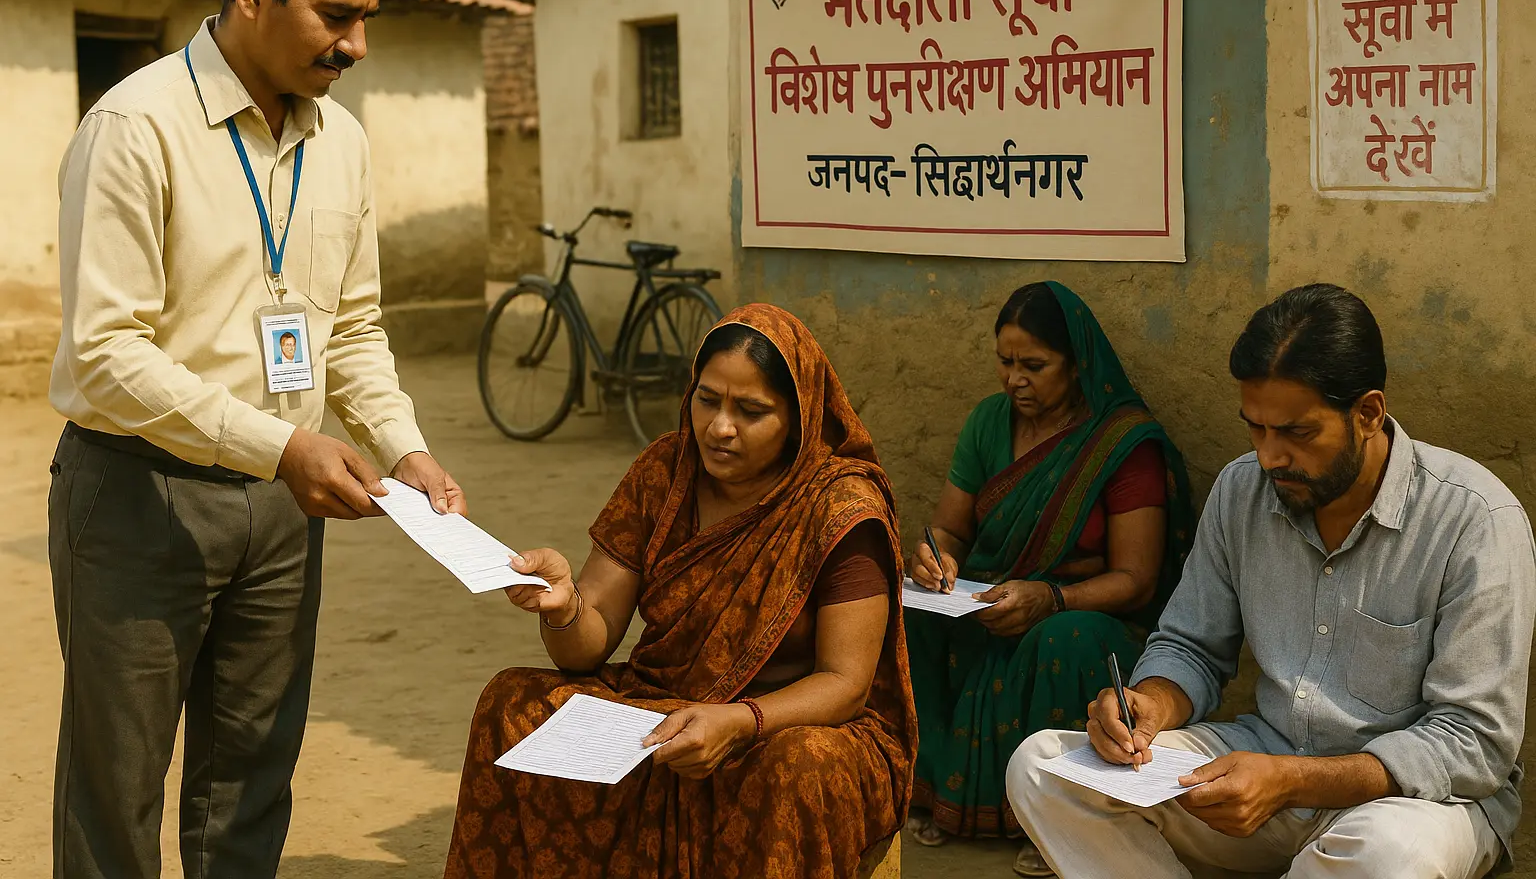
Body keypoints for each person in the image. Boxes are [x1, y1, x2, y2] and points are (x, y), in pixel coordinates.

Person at [48, 0, 463, 879]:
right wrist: (285, 444)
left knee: (250, 780)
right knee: (117, 789)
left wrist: (404, 445)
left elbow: (353, 330)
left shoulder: (344, 145)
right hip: (139, 494)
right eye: (334, 14)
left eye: (365, 20)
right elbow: (108, 354)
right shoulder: (134, 129)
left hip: (283, 511)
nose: (354, 46)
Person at [1007, 283, 1534, 879]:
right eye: (1255, 429)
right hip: (1260, 770)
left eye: (1296, 433)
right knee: (1043, 767)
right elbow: (1190, 647)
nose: (1269, 457)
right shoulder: (1242, 491)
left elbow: (1474, 739)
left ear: (1367, 414)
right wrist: (1147, 704)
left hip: (1408, 804)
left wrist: (1293, 781)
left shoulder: (1474, 520)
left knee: (1389, 857)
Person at [443, 304, 917, 878]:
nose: (720, 426)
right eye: (707, 399)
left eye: (751, 410)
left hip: (786, 727)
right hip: (664, 706)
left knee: (799, 769)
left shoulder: (840, 510)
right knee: (510, 703)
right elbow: (586, 648)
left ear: (799, 417)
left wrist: (738, 721)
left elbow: (845, 684)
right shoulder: (665, 472)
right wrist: (565, 605)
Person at [903, 281, 1193, 874]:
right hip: (991, 598)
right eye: (1005, 364)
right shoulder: (990, 421)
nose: (1015, 380)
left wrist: (1052, 598)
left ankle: (1053, 819)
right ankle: (932, 791)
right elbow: (948, 529)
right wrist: (935, 557)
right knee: (910, 614)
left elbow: (1136, 580)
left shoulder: (1121, 445)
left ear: (1077, 364)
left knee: (1064, 639)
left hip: (1088, 613)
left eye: (1034, 365)